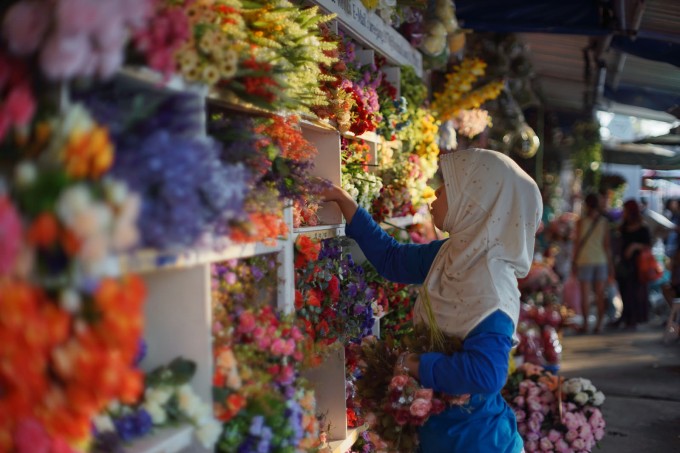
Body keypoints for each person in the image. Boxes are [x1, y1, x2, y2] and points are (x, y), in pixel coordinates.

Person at [322, 149, 542, 452]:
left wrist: (412, 364)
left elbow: (486, 375)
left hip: (477, 442)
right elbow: (393, 259)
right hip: (442, 434)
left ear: (476, 202)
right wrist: (346, 203)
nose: (435, 192)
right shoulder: (453, 254)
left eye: (448, 186)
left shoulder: (491, 287)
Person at [571, 193, 615, 334]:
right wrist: (611, 266)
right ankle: (599, 324)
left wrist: (573, 261)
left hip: (584, 260)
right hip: (601, 260)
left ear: (586, 204)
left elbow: (577, 243)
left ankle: (585, 324)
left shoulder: (580, 222)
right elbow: (607, 246)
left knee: (585, 295)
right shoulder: (604, 222)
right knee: (600, 294)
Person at [613, 199, 652, 330]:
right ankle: (626, 316)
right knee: (624, 290)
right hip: (624, 265)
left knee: (635, 292)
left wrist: (635, 246)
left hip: (638, 265)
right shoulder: (623, 227)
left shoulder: (643, 228)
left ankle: (634, 318)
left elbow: (648, 245)